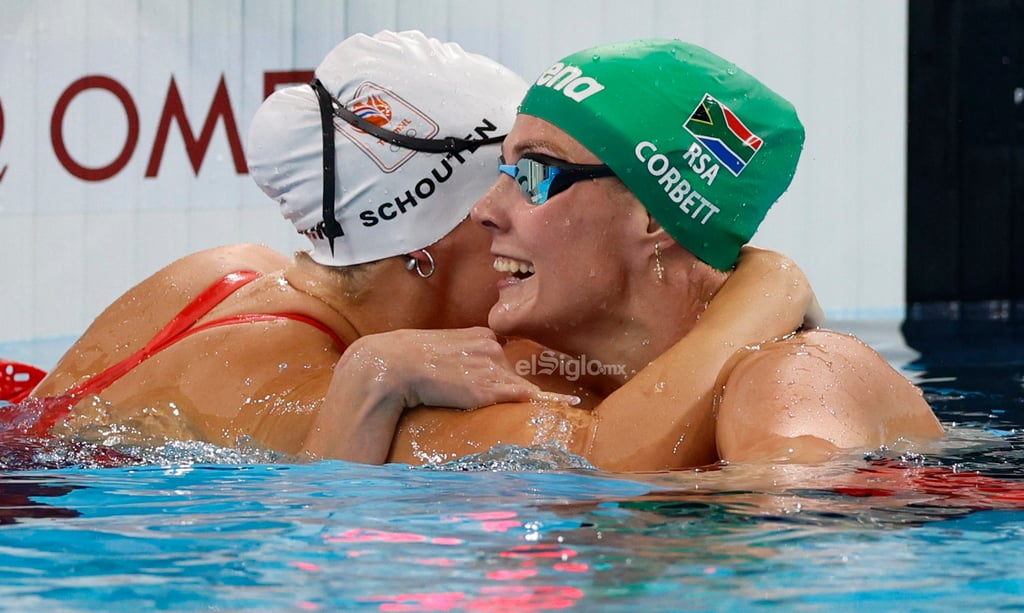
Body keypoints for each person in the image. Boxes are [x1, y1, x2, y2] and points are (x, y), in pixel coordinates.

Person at [13, 31, 809, 464]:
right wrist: (764, 290)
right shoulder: (305, 394)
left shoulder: (227, 271)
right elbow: (612, 458)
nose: (509, 216)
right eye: (502, 189)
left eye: (531, 183)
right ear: (423, 243)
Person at [319, 38, 944, 470]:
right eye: (500, 169)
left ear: (654, 214)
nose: (485, 208)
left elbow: (793, 551)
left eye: (533, 174)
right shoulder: (533, 372)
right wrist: (370, 376)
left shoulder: (793, 383)